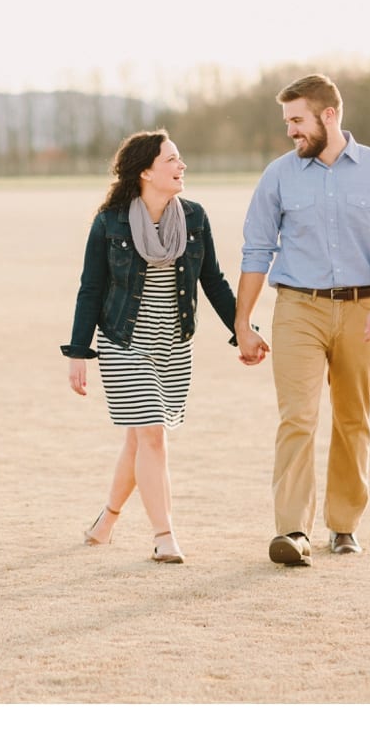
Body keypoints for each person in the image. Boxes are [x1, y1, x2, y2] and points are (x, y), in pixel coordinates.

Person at [62, 129, 270, 563]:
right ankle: (164, 536)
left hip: (173, 347)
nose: (182, 167)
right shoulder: (110, 222)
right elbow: (91, 288)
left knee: (140, 440)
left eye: (180, 159)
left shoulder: (193, 217)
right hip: (124, 344)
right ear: (145, 171)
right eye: (172, 160)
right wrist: (79, 352)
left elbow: (211, 280)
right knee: (153, 435)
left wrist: (242, 329)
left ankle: (106, 521)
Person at [233, 74, 370, 567]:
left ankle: (344, 526)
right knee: (298, 418)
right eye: (287, 122)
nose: (291, 131)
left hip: (361, 308)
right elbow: (256, 251)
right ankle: (292, 530)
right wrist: (242, 323)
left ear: (328, 115)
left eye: (297, 121)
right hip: (297, 308)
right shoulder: (278, 176)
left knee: (353, 419)